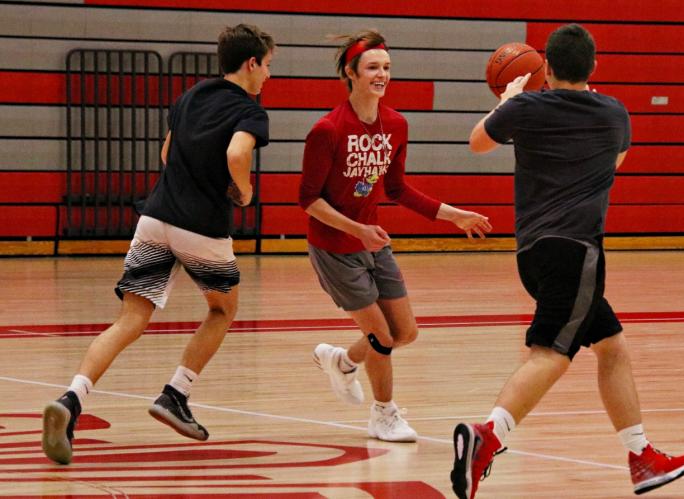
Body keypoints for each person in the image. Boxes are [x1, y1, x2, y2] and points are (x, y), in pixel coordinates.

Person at [450, 24, 684, 498]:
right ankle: (487, 436)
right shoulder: (614, 112)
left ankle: (642, 457)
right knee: (551, 354)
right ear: (594, 67)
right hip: (577, 249)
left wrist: (509, 98)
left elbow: (477, 142)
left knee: (612, 346)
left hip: (531, 254)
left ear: (547, 68)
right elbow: (614, 164)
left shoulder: (525, 106)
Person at [41, 24, 274, 465]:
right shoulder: (250, 110)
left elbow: (167, 155)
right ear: (251, 64)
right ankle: (175, 394)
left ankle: (71, 400)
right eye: (268, 67)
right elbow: (237, 155)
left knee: (131, 317)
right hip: (201, 228)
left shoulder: (191, 96)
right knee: (222, 310)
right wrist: (243, 190)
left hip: (154, 218)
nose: (268, 76)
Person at [299, 30, 492, 443]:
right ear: (350, 73)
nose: (381, 74)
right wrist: (357, 229)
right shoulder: (327, 130)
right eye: (372, 67)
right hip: (334, 245)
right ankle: (383, 415)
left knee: (405, 332)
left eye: (386, 67)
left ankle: (344, 361)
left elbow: (397, 189)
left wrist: (453, 216)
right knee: (382, 337)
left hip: (372, 241)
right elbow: (309, 200)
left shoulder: (397, 124)